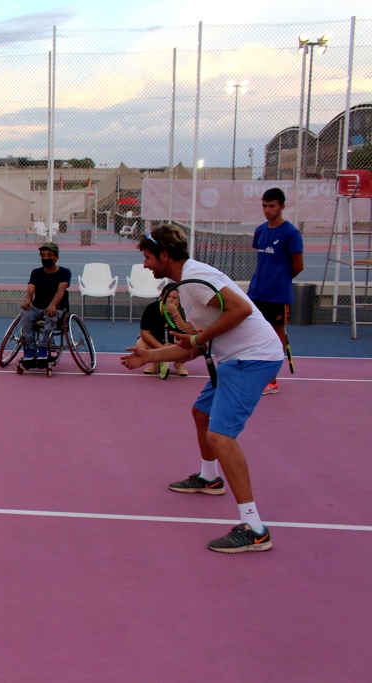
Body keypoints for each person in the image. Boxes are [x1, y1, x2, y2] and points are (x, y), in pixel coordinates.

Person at [120, 225, 283, 553]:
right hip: (236, 358)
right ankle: (210, 478)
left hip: (252, 359)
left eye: (148, 258)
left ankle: (254, 528)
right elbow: (194, 348)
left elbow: (242, 310)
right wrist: (148, 356)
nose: (146, 265)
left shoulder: (195, 278)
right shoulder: (187, 283)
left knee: (220, 436)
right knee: (201, 413)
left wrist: (197, 339)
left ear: (165, 255)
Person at [248, 187, 304, 396]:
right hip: (256, 293)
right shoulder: (261, 230)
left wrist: (279, 281)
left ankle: (272, 380)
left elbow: (298, 266)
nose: (267, 210)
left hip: (278, 295)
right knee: (255, 334)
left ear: (282, 206)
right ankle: (258, 374)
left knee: (275, 336)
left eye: (272, 206)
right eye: (264, 206)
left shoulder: (291, 233)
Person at [18, 241, 71, 370]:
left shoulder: (64, 272)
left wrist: (52, 305)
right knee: (25, 314)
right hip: (37, 308)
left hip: (57, 308)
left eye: (49, 255)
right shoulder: (36, 273)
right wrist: (27, 300)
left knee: (51, 315)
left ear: (56, 257)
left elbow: (61, 290)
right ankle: (30, 347)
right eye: (43, 255)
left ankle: (43, 347)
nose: (46, 258)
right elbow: (30, 289)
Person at [136, 294, 188, 377]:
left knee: (193, 344)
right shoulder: (151, 308)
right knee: (140, 344)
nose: (171, 300)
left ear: (179, 299)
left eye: (175, 298)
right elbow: (145, 332)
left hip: (176, 343)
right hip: (156, 342)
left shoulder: (185, 310)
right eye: (168, 297)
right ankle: (154, 362)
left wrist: (173, 347)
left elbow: (188, 332)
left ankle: (179, 363)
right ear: (162, 296)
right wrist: (161, 347)